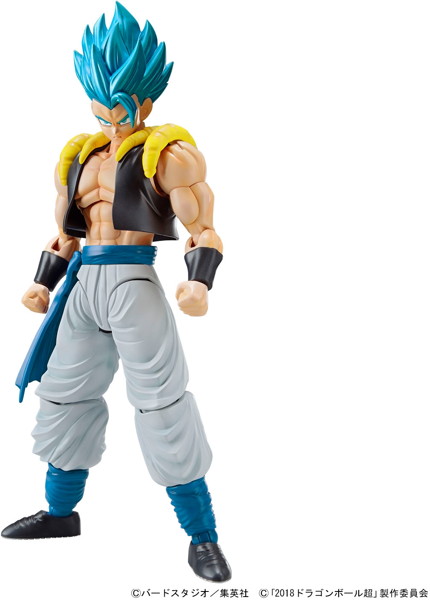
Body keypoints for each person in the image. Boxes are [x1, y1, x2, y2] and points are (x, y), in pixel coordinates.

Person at [1, 2, 231, 583]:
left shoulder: (170, 156)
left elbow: (204, 231)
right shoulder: (77, 157)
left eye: (122, 107)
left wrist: (198, 282)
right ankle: (60, 513)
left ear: (145, 101)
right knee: (64, 397)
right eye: (101, 107)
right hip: (84, 287)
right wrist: (42, 282)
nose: (111, 120)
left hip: (134, 282)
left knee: (162, 404)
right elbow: (64, 235)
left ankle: (202, 536)